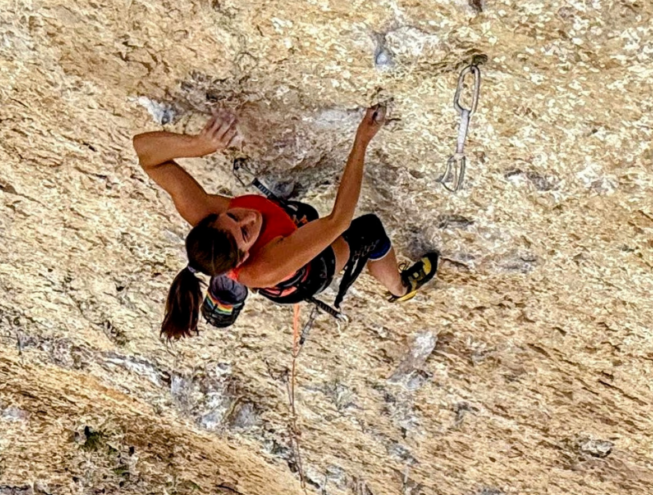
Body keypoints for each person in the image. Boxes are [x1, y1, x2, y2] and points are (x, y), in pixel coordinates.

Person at [134, 106, 438, 342]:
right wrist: (361, 142)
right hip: (304, 274)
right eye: (245, 232)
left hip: (281, 241)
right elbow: (340, 218)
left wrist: (198, 145)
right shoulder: (267, 265)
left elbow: (146, 154)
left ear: (212, 219)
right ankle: (400, 287)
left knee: (301, 212)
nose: (248, 217)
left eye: (234, 215)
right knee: (369, 230)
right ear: (242, 258)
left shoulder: (204, 214)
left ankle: (287, 226)